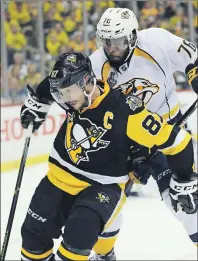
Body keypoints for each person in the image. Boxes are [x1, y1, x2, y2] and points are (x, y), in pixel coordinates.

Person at [20, 7, 198, 260]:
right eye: (106, 41)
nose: (111, 48)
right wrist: (38, 102)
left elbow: (192, 56)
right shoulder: (97, 63)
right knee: (109, 202)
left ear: (133, 36)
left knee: (185, 203)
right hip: (126, 144)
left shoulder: (157, 41)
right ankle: (105, 254)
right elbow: (62, 80)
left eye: (117, 41)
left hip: (165, 131)